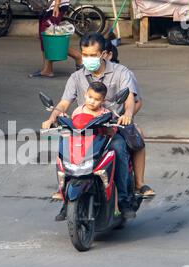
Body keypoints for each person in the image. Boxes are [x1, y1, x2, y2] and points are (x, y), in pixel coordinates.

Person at [43, 32, 137, 220]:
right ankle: (65, 200)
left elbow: (129, 99)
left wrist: (127, 115)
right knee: (63, 149)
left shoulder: (121, 72)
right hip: (82, 131)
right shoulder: (76, 77)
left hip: (109, 130)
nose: (88, 59)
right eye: (85, 55)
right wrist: (51, 117)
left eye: (93, 55)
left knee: (118, 149)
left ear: (103, 54)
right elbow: (63, 103)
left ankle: (125, 201)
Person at [105, 36, 155, 198]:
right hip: (92, 123)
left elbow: (137, 102)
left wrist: (126, 116)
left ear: (108, 55)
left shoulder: (124, 75)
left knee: (137, 136)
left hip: (117, 122)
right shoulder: (83, 74)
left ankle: (139, 182)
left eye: (96, 54)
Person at [29, 0, 82, 78]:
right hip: (48, 6)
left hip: (55, 5)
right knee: (44, 37)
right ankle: (47, 69)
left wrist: (57, 4)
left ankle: (79, 57)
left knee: (50, 38)